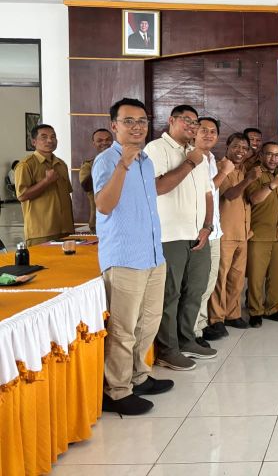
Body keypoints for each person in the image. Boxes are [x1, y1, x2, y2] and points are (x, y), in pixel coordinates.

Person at [93, 98, 171, 416]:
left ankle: (138, 377)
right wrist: (123, 164)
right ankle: (117, 390)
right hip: (124, 257)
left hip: (152, 255)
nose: (137, 127)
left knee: (148, 323)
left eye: (142, 121)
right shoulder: (106, 161)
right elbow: (104, 205)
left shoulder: (146, 161)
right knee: (123, 329)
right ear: (114, 126)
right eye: (129, 121)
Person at [143, 105, 216, 371]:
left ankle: (186, 340)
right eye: (187, 120)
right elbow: (158, 187)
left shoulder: (196, 154)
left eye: (195, 122)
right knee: (170, 294)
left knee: (195, 290)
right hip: (170, 235)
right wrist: (190, 163)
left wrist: (207, 226)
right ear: (171, 120)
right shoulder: (156, 149)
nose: (192, 126)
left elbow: (208, 194)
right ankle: (167, 349)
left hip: (198, 234)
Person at [208, 133, 261, 332]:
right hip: (225, 233)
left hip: (243, 233)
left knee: (237, 279)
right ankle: (216, 318)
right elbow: (229, 195)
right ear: (228, 146)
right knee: (220, 278)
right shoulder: (220, 167)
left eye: (244, 148)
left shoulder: (243, 169)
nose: (240, 151)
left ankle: (233, 314)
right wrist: (248, 180)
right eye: (236, 146)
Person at [192, 117, 228, 346]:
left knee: (208, 284)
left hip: (214, 231)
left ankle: (201, 325)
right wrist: (224, 173)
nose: (208, 134)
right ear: (193, 132)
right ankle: (192, 333)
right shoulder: (191, 158)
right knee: (197, 285)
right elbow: (203, 190)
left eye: (213, 131)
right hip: (198, 232)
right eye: (203, 130)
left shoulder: (212, 158)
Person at [245, 142, 278, 326]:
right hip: (259, 234)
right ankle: (255, 311)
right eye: (270, 154)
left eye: (277, 155)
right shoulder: (254, 174)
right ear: (261, 155)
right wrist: (272, 185)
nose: (273, 158)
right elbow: (254, 199)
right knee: (256, 276)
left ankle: (272, 309)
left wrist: (277, 181)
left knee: (277, 276)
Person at [15, 124, 75, 245]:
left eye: (53, 137)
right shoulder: (26, 165)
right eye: (44, 137)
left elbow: (67, 195)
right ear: (34, 142)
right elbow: (22, 196)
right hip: (41, 232)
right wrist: (46, 181)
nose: (50, 140)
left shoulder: (61, 164)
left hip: (66, 230)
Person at [78, 128, 113, 231]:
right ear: (94, 143)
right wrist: (99, 166)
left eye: (108, 140)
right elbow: (86, 186)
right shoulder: (88, 165)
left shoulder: (122, 161)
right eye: (100, 141)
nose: (104, 143)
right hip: (99, 221)